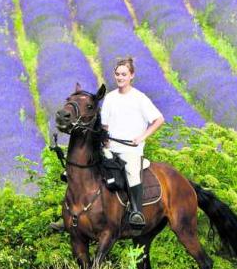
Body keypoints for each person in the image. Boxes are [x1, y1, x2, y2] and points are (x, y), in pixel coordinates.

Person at [50, 57, 164, 231]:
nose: (120, 77)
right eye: (118, 74)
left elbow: (159, 119)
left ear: (131, 75)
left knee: (132, 172)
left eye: (124, 74)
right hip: (110, 147)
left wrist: (142, 137)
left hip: (130, 149)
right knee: (80, 171)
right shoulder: (110, 98)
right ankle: (71, 213)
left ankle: (136, 212)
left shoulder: (140, 98)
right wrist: (101, 139)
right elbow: (104, 125)